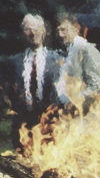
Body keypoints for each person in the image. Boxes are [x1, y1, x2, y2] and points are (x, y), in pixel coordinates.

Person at [7, 13, 60, 146]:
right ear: (22, 33)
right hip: (23, 127)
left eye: (36, 29)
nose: (33, 33)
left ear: (43, 31)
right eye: (28, 29)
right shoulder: (13, 62)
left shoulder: (58, 60)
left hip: (50, 125)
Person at [54, 12, 100, 113]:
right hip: (68, 117)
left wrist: (76, 101)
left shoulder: (87, 50)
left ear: (76, 29)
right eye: (58, 31)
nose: (60, 34)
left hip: (89, 116)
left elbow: (98, 85)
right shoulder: (65, 54)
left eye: (64, 30)